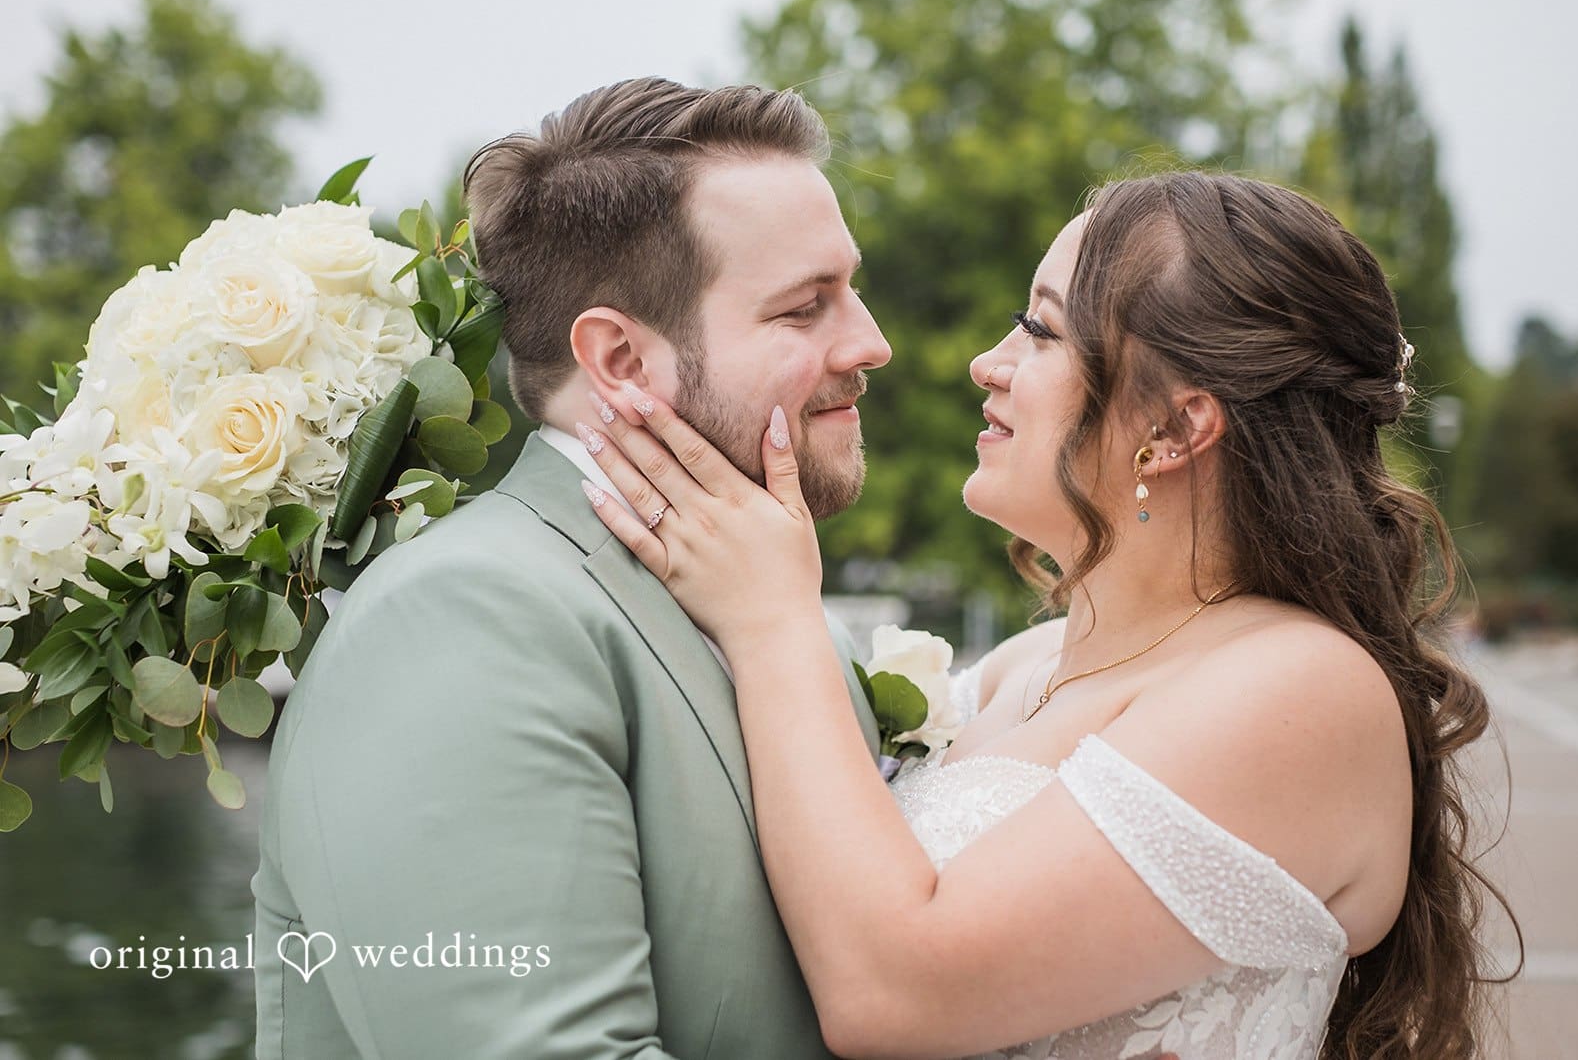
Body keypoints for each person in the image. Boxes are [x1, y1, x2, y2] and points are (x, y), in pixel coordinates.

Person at [581, 170, 1512, 1059]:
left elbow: (891, 988)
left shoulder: (1304, 689)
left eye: (1041, 329)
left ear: (1179, 427)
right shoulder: (1022, 666)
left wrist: (772, 617)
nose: (989, 362)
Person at [251, 77, 893, 1059]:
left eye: (850, 287)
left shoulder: (793, 624)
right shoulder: (460, 622)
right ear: (623, 361)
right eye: (807, 307)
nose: (871, 342)